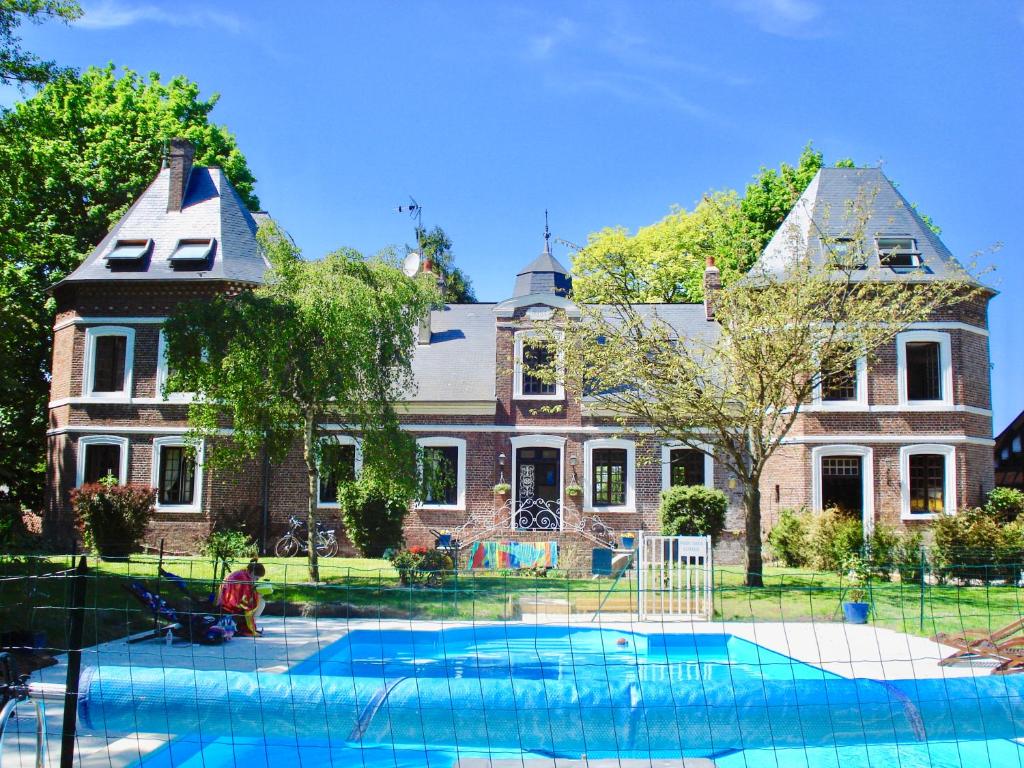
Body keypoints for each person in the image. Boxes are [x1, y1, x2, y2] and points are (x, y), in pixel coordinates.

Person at [218, 559, 267, 637]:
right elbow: (245, 601)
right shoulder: (243, 579)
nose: (256, 581)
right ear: (252, 573)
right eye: (256, 578)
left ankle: (250, 626)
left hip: (225, 602)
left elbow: (243, 594)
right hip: (230, 607)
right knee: (261, 603)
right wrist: (258, 595)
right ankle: (249, 628)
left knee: (260, 602)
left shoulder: (242, 573)